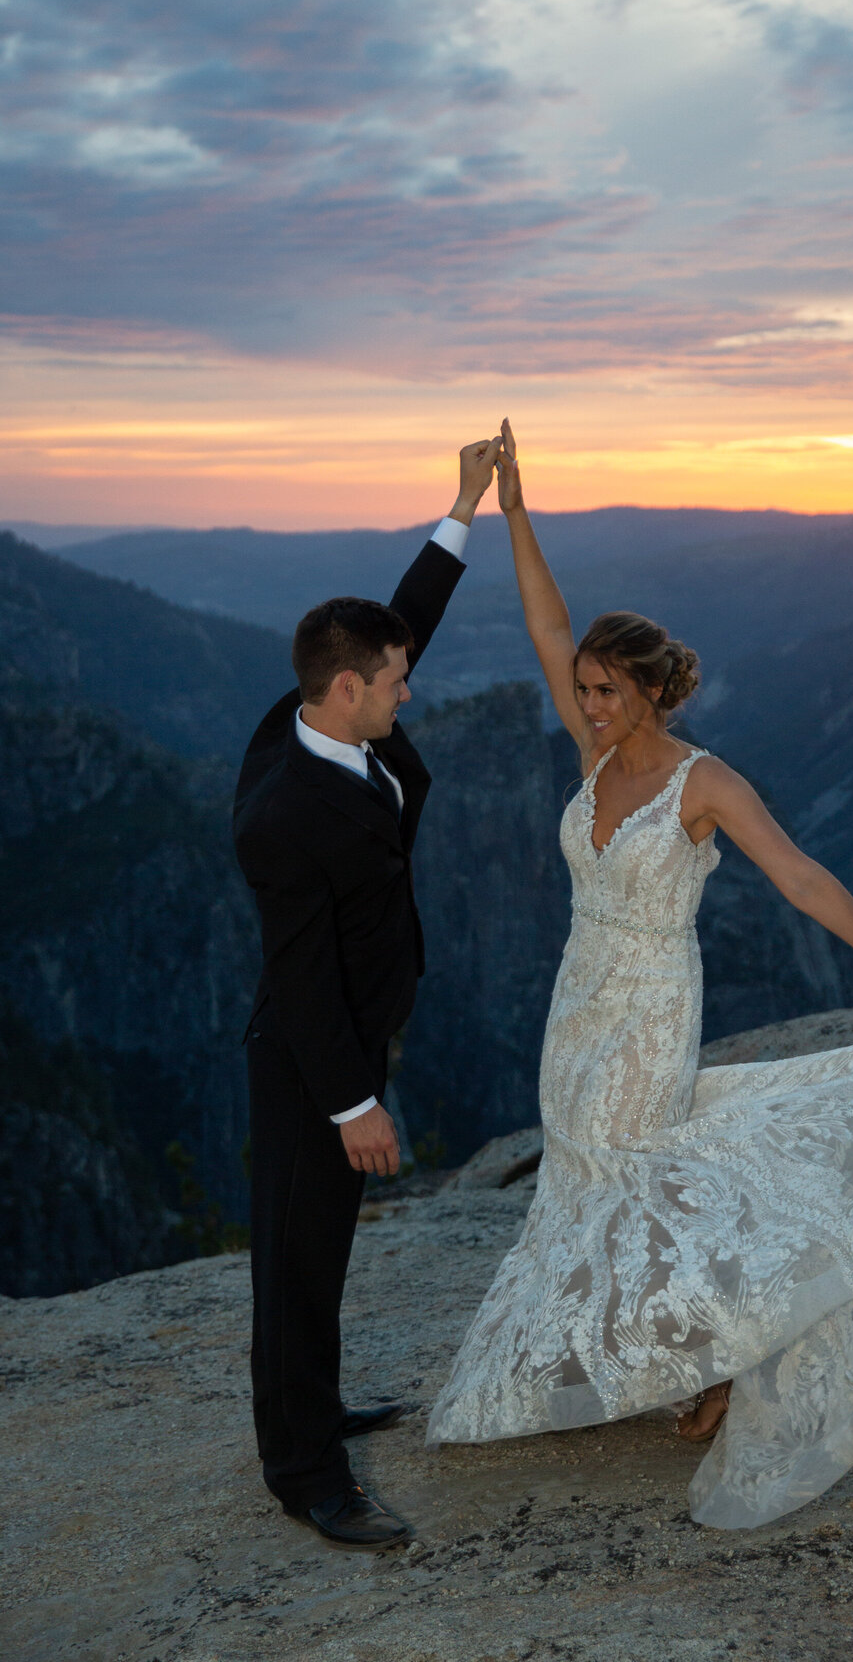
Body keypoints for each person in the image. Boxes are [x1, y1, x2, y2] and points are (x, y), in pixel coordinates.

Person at [426, 428, 853, 1530]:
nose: (588, 703)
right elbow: (546, 624)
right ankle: (672, 1355)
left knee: (631, 1172)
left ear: (650, 693)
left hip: (650, 1006)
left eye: (606, 691)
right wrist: (512, 508)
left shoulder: (705, 783)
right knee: (582, 1172)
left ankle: (708, 1359)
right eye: (585, 690)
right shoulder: (594, 752)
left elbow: (800, 876)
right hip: (576, 1002)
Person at [234, 436, 500, 1549]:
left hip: (348, 1031)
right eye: (394, 680)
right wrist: (355, 1104)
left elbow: (399, 626)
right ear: (349, 691)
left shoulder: (325, 709)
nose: (410, 685)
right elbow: (298, 983)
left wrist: (462, 508)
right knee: (297, 1257)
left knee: (325, 1245)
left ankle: (315, 1407)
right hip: (310, 1061)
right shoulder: (285, 815)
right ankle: (304, 1473)